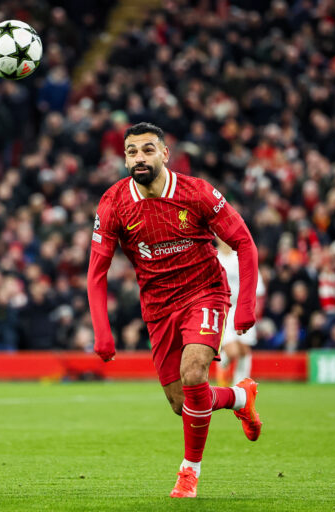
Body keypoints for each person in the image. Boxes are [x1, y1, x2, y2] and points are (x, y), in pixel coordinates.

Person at [87, 122, 262, 498]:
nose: (139, 158)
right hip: (158, 307)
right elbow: (96, 274)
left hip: (205, 293)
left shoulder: (197, 192)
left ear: (165, 153)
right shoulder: (113, 202)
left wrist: (245, 306)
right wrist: (102, 331)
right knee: (182, 403)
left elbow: (245, 243)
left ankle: (189, 473)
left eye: (148, 150)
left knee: (194, 371)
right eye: (132, 152)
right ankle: (240, 398)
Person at [215, 238, 266, 386]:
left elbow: (259, 288)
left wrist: (255, 311)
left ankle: (240, 387)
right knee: (232, 351)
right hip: (222, 309)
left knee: (244, 350)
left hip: (242, 307)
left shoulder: (241, 256)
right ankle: (220, 366)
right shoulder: (214, 258)